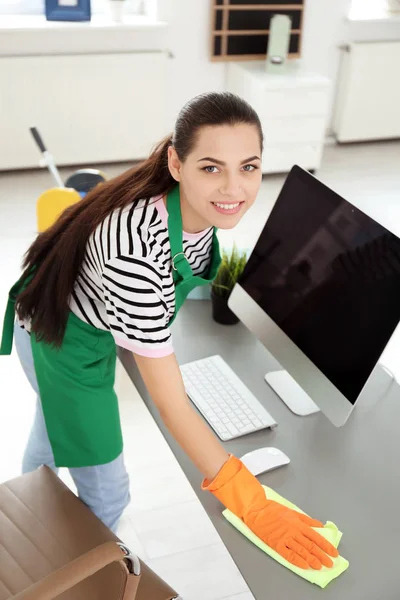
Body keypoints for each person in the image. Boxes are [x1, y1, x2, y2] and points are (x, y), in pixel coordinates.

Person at [0, 92, 337, 570]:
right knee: (110, 495)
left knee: (53, 430)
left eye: (249, 166)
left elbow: (184, 272)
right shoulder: (135, 251)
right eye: (211, 168)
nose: (234, 189)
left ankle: (28, 504)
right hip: (60, 336)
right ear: (176, 164)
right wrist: (250, 501)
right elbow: (170, 403)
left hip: (80, 313)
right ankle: (72, 574)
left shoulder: (191, 209)